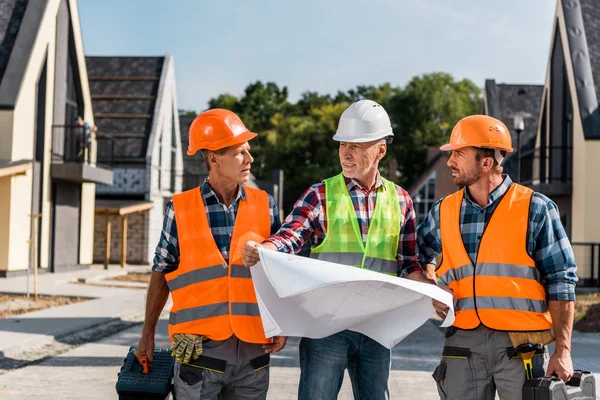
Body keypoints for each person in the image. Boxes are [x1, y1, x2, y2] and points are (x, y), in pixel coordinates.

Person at [242, 99, 436, 400]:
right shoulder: (320, 194)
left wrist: (432, 291)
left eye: (357, 145)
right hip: (326, 330)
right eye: (343, 143)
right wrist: (264, 248)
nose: (346, 152)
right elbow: (290, 236)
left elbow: (407, 265)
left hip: (376, 329)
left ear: (381, 150)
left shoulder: (401, 201)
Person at [417, 115, 578, 400]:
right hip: (464, 345)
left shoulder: (536, 209)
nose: (451, 161)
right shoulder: (443, 211)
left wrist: (563, 351)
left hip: (521, 349)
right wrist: (430, 284)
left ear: (486, 162)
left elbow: (561, 280)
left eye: (459, 153)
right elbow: (416, 256)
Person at [134, 109, 286, 400]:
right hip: (199, 351)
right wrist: (147, 334)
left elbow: (277, 270)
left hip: (253, 352)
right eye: (240, 153)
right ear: (214, 158)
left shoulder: (265, 205)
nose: (249, 159)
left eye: (248, 151)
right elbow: (161, 272)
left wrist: (281, 322)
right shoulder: (179, 208)